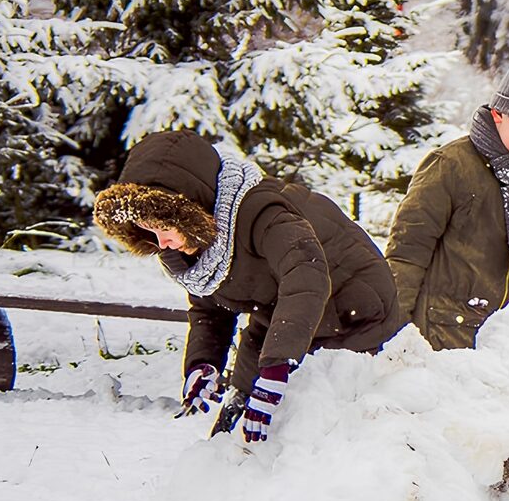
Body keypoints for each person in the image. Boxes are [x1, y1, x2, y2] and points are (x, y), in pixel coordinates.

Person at [93, 130, 402, 443]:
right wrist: (204, 363)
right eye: (148, 231)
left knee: (317, 429)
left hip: (354, 312)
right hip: (279, 315)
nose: (162, 243)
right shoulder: (196, 242)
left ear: (193, 209)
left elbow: (306, 277)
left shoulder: (263, 211)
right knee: (237, 421)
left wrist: (278, 367)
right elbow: (210, 306)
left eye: (164, 228)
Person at [387, 55, 509, 349]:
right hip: (440, 341)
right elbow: (407, 255)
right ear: (499, 113)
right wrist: (392, 336)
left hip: (507, 349)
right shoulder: (449, 166)